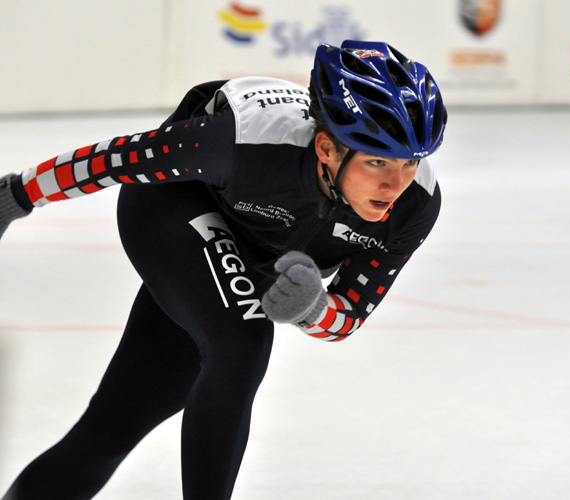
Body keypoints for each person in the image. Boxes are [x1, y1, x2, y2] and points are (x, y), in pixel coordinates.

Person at [0, 40, 446, 500]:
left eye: (410, 162)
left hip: (241, 257)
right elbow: (114, 160)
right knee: (243, 340)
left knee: (113, 426)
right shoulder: (241, 142)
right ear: (327, 148)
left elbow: (347, 315)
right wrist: (16, 197)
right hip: (172, 206)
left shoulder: (415, 206)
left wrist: (313, 308)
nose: (395, 184)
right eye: (377, 162)